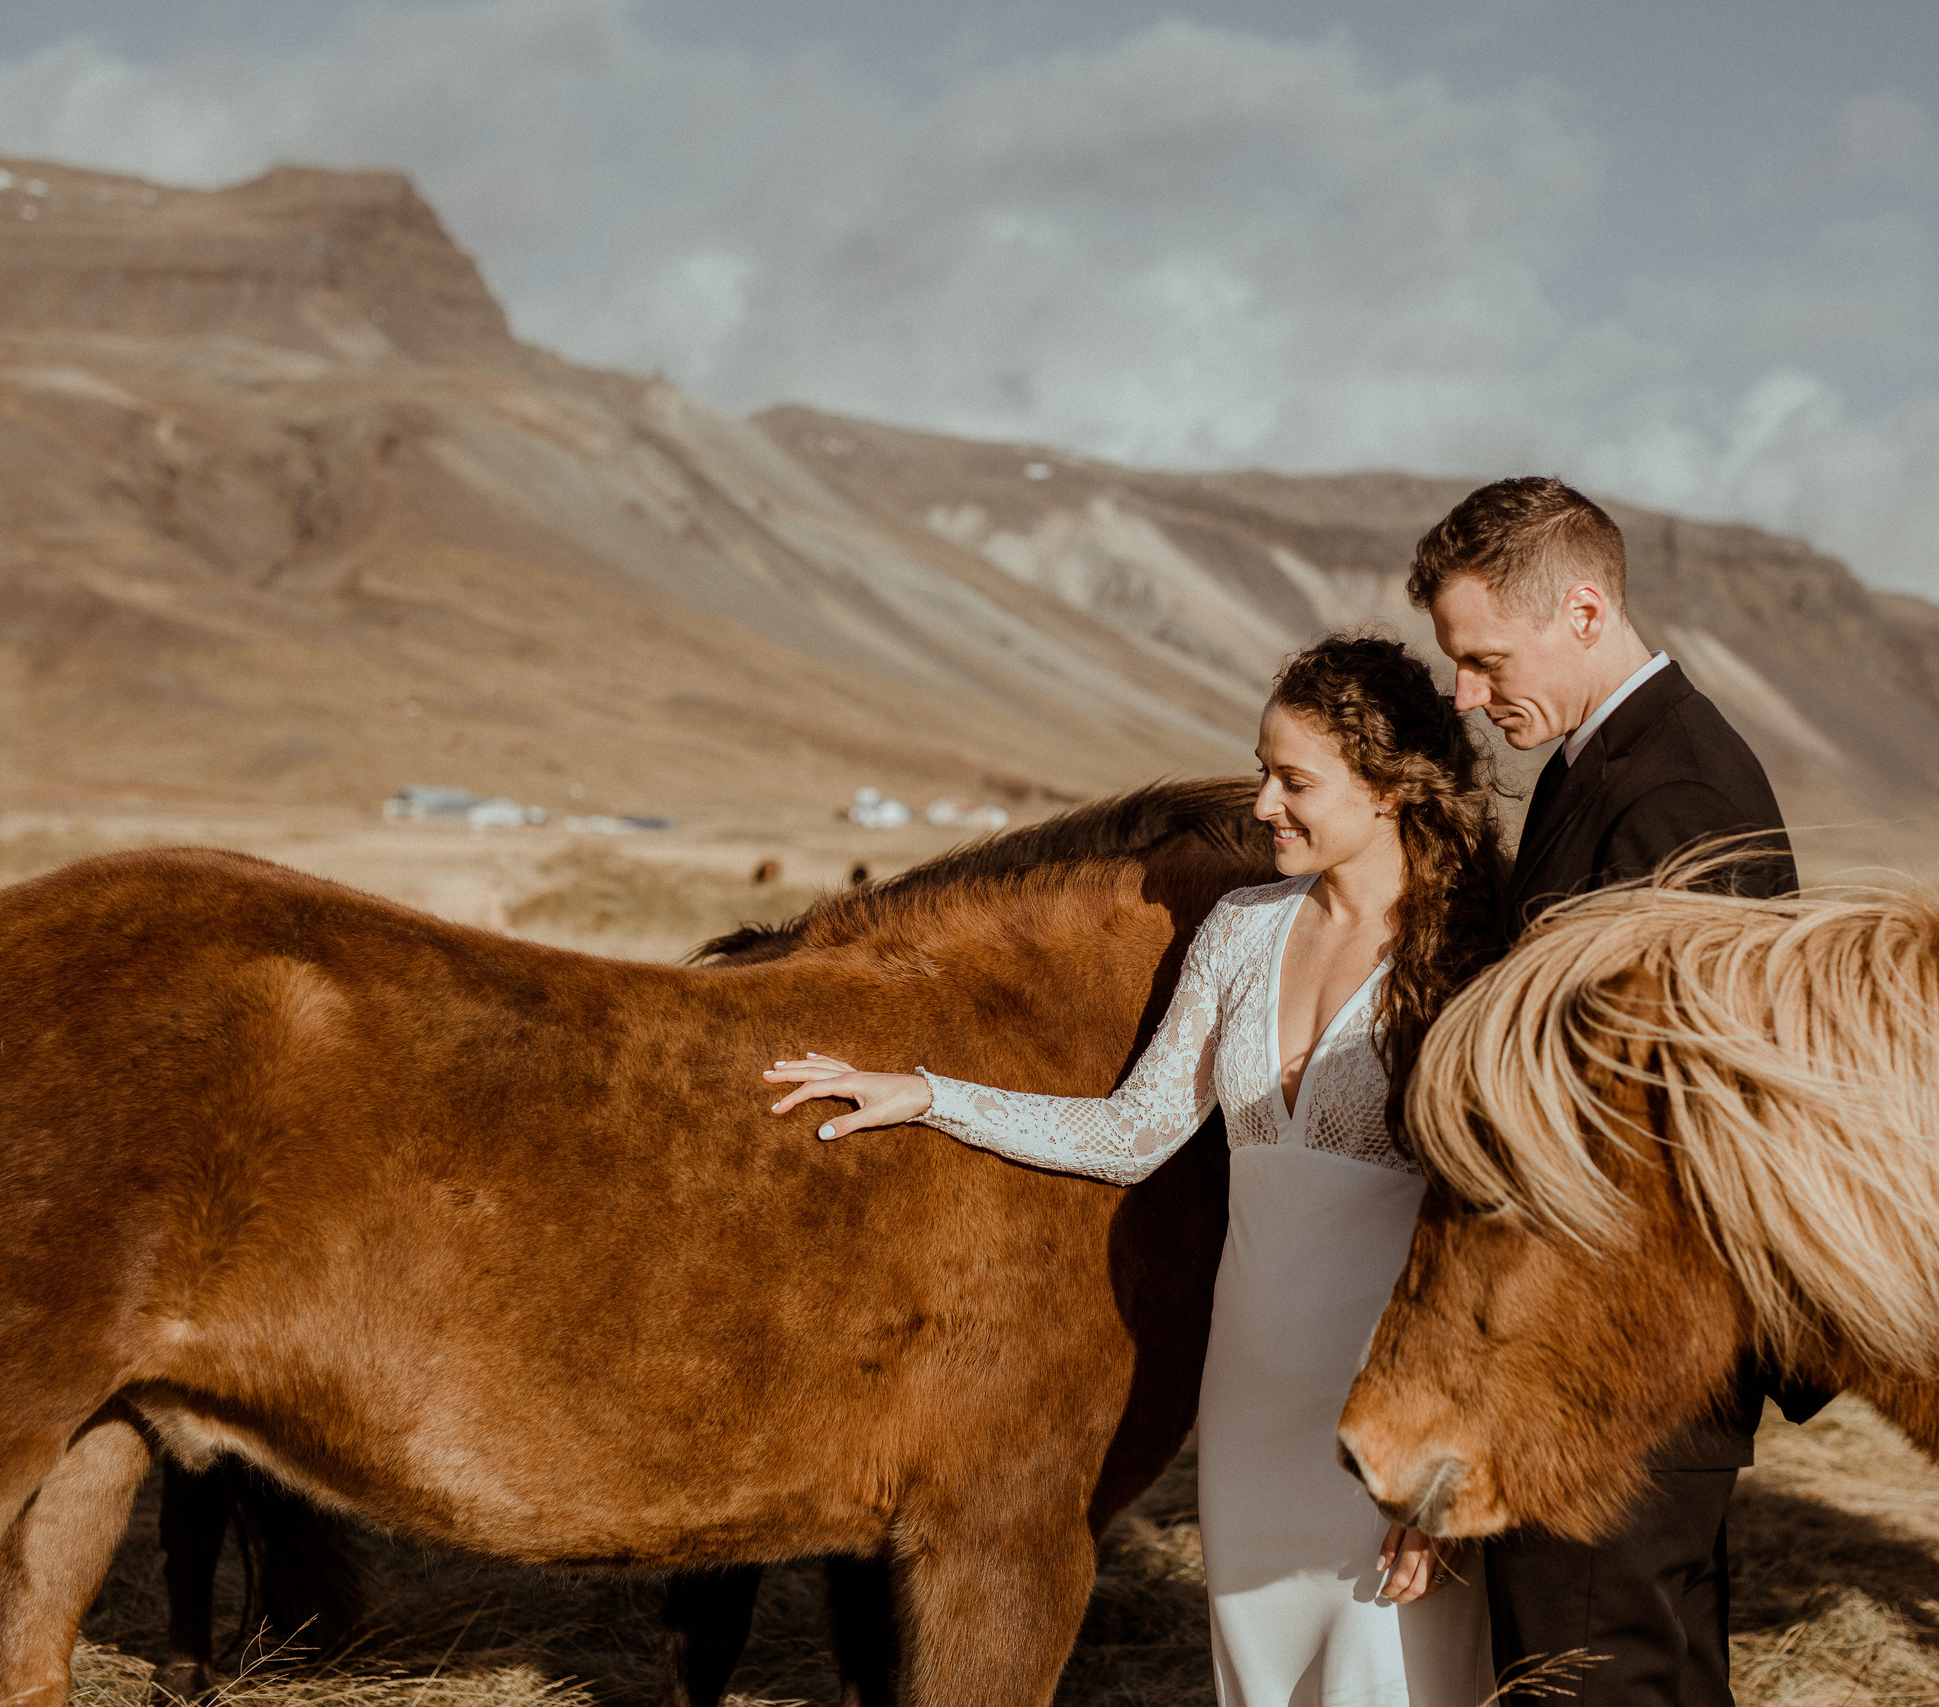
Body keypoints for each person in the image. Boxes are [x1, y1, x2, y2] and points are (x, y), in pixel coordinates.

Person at [761, 634, 1505, 1707]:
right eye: (1261, 771)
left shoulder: (1475, 960)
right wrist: (928, 1094)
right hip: (1249, 1400)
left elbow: (1491, 1230)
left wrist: (1452, 1473)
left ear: (1390, 789)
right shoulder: (1243, 929)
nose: (1262, 805)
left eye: (1294, 781)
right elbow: (1134, 1131)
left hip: (1399, 1407)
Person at [1411, 476, 1826, 1707]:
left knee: (1591, 1680)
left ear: (1583, 611)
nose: (1465, 696)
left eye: (1485, 660)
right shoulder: (1603, 765)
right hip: (1614, 1345)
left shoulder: (1676, 796)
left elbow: (1659, 1115)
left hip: (1623, 1356)